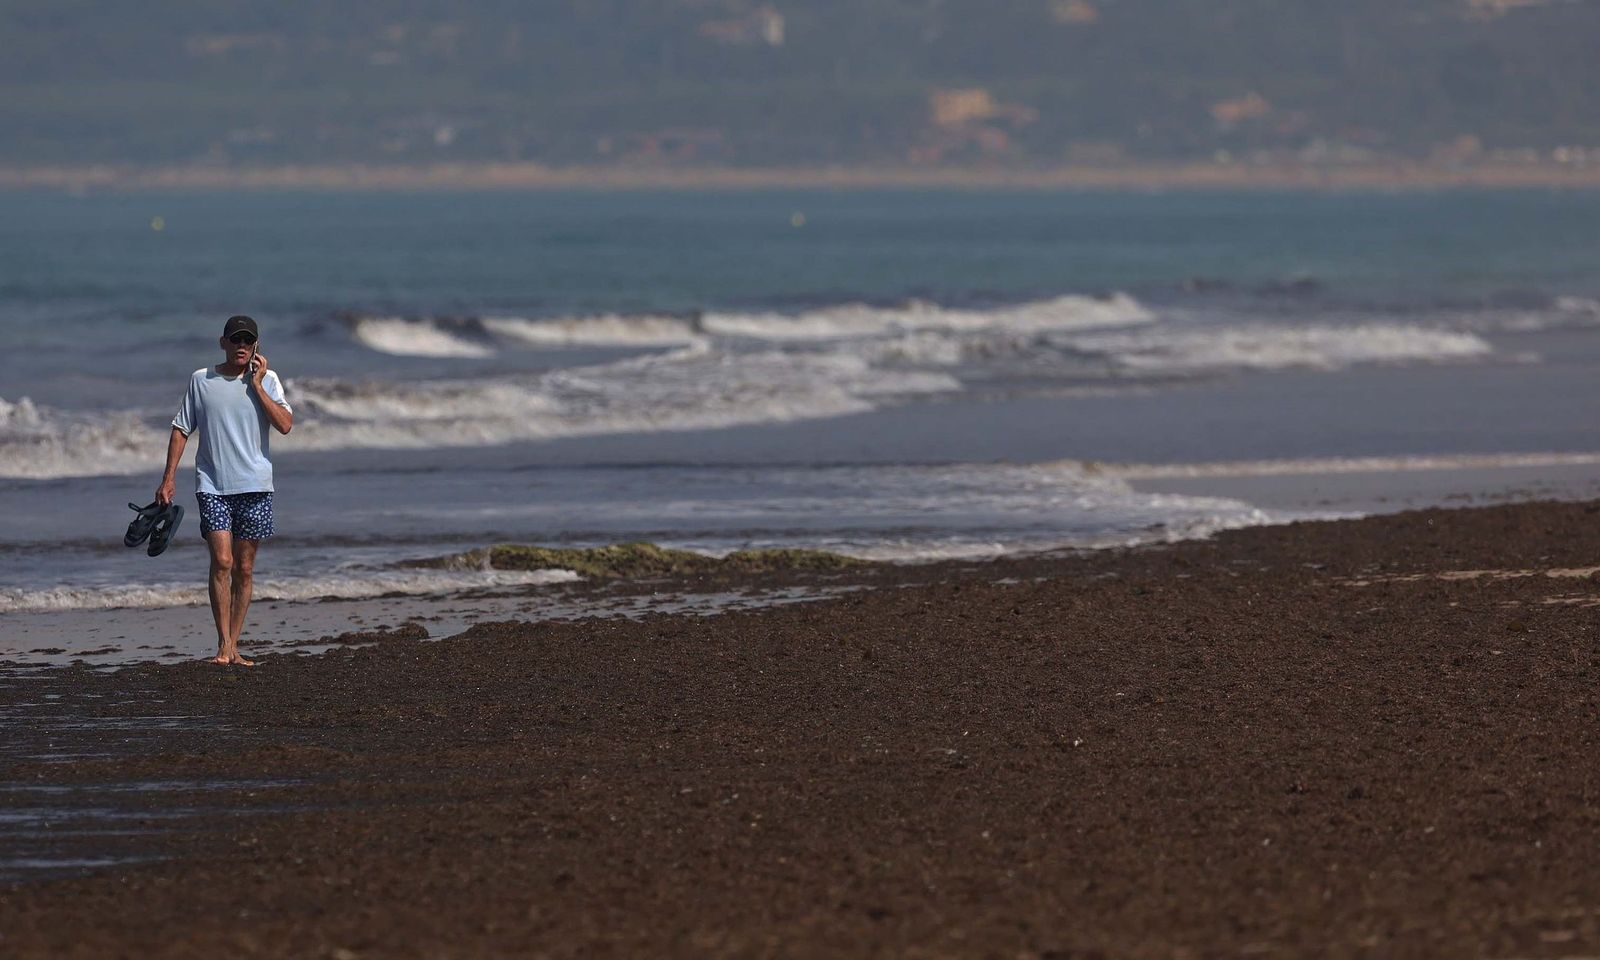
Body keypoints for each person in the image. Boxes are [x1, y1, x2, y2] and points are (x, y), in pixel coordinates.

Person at [156, 316, 293, 666]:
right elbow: (180, 429)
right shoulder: (202, 380)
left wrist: (258, 386)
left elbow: (285, 425)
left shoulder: (270, 381)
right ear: (223, 343)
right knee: (223, 561)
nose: (241, 346)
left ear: (257, 346)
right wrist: (168, 478)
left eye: (248, 340)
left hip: (256, 486)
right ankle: (222, 645)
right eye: (236, 340)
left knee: (244, 568)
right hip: (213, 485)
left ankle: (234, 644)